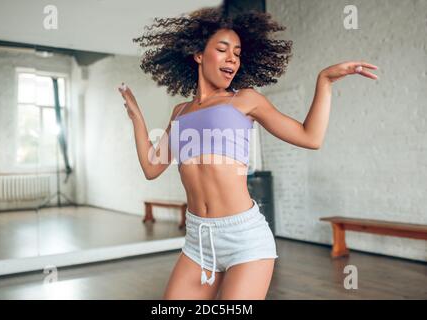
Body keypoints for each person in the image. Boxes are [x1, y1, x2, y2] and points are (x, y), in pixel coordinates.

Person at [118, 5, 378, 300]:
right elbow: (152, 167)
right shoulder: (181, 112)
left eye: (238, 53)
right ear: (198, 54)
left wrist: (325, 82)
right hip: (197, 240)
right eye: (223, 49)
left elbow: (311, 136)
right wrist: (137, 118)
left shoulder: (245, 100)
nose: (232, 58)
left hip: (244, 236)